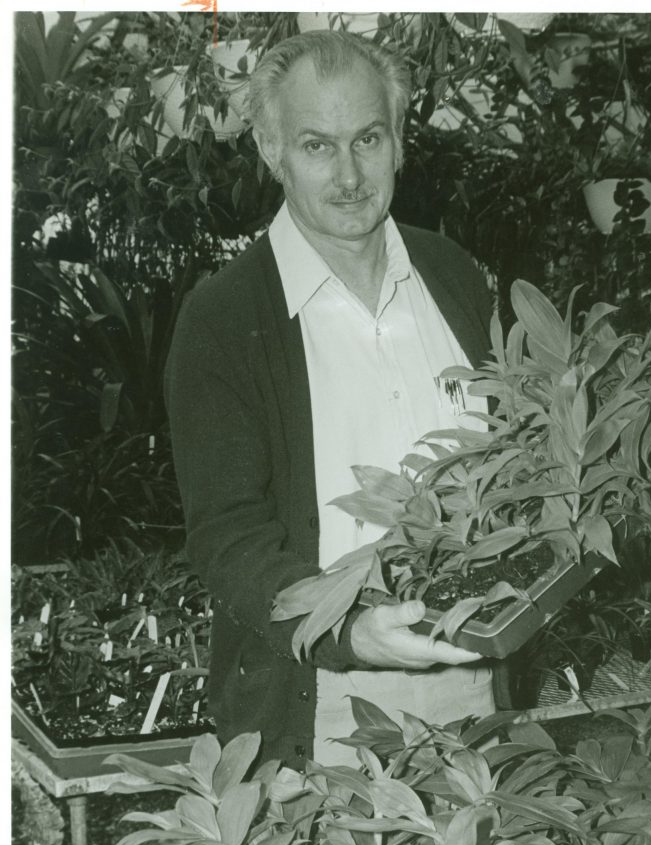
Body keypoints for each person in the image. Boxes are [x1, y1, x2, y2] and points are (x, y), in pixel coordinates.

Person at [165, 30, 498, 768]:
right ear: (271, 148)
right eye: (317, 145)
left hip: (480, 693)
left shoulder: (453, 276)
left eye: (367, 139)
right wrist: (347, 626)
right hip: (317, 710)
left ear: (400, 141)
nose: (348, 175)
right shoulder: (224, 316)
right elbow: (227, 535)